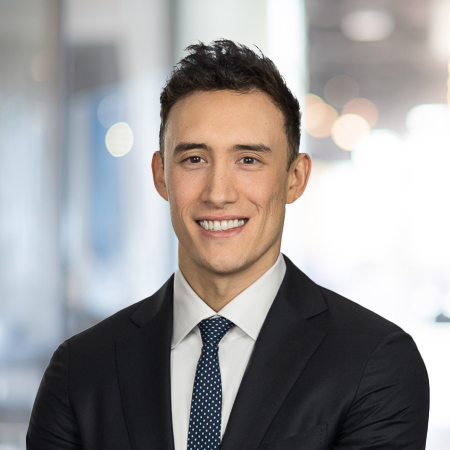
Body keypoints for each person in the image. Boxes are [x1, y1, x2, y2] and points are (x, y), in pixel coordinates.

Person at [27, 40, 429, 450]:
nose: (218, 193)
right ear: (161, 175)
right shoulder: (81, 369)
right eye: (194, 159)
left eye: (248, 160)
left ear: (295, 178)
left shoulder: (374, 362)